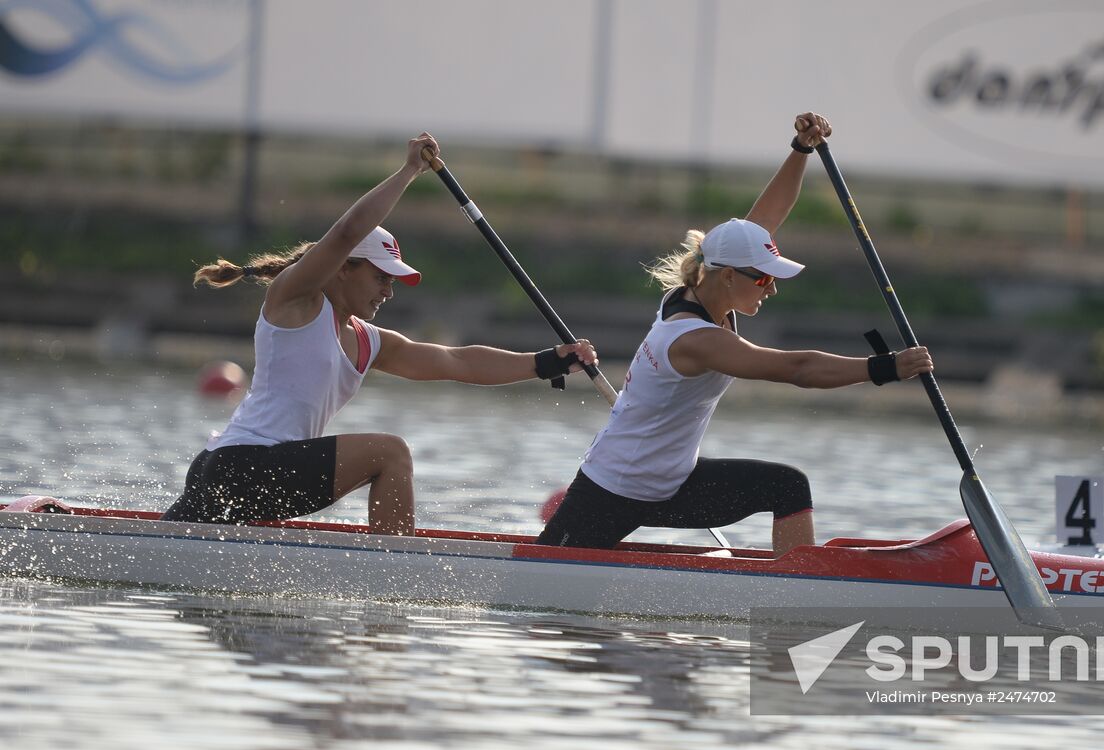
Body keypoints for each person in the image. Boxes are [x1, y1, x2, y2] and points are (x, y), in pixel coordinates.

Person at [162, 133, 597, 537]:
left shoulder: (368, 341)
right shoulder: (295, 300)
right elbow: (348, 231)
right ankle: (395, 577)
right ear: (343, 267)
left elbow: (457, 361)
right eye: (380, 278)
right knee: (389, 453)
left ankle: (383, 566)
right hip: (239, 466)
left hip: (256, 473)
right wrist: (410, 171)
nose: (388, 292)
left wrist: (546, 362)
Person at [537, 113, 933, 556]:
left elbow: (763, 222)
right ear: (727, 276)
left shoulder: (701, 289)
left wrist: (800, 150)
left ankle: (794, 593)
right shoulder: (697, 340)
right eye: (763, 278)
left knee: (787, 487)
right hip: (615, 487)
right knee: (538, 589)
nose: (772, 287)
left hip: (671, 482)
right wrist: (885, 368)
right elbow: (795, 368)